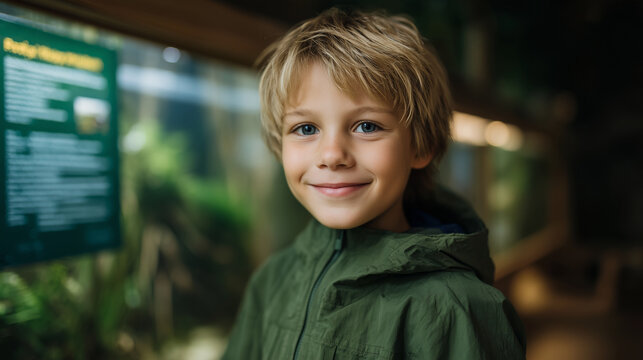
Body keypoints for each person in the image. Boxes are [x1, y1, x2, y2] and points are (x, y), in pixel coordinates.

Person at [222, 8, 526, 360]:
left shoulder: (460, 309)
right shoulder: (272, 279)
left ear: (421, 144)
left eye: (367, 126)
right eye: (306, 129)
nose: (332, 155)